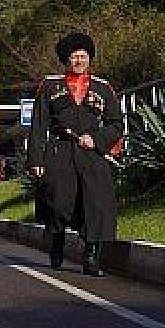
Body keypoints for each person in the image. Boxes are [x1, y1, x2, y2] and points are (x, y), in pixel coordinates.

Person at [27, 33, 124, 275]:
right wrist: (36, 160)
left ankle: (91, 258)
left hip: (91, 153)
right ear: (66, 59)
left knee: (96, 204)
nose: (79, 60)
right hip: (61, 152)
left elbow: (115, 124)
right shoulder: (50, 86)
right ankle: (56, 241)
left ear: (89, 59)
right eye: (74, 56)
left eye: (83, 56)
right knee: (59, 202)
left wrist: (98, 140)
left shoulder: (103, 88)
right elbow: (39, 125)